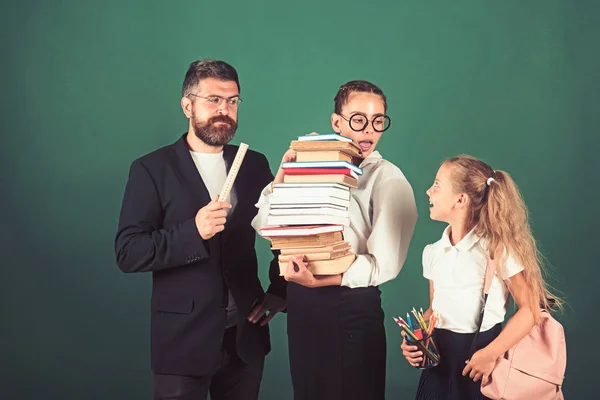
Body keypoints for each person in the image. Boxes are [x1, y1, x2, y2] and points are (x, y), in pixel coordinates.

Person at [114, 59, 286, 400]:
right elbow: (128, 252)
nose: (224, 110)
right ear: (187, 105)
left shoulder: (254, 164)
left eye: (232, 101)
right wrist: (194, 231)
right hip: (182, 344)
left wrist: (280, 289)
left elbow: (280, 230)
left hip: (244, 339)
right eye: (214, 100)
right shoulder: (152, 169)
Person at [252, 80, 418, 399]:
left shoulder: (388, 178)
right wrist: (283, 176)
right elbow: (267, 227)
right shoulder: (310, 164)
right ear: (336, 122)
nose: (368, 131)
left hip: (350, 308)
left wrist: (322, 280)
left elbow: (385, 264)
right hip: (302, 307)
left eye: (378, 120)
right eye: (358, 120)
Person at [401, 155, 562, 399]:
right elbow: (435, 309)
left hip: (480, 365)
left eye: (437, 185)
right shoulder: (433, 252)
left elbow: (530, 309)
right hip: (438, 369)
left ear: (460, 199)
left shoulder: (497, 251)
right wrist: (417, 340)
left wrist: (491, 354)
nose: (428, 191)